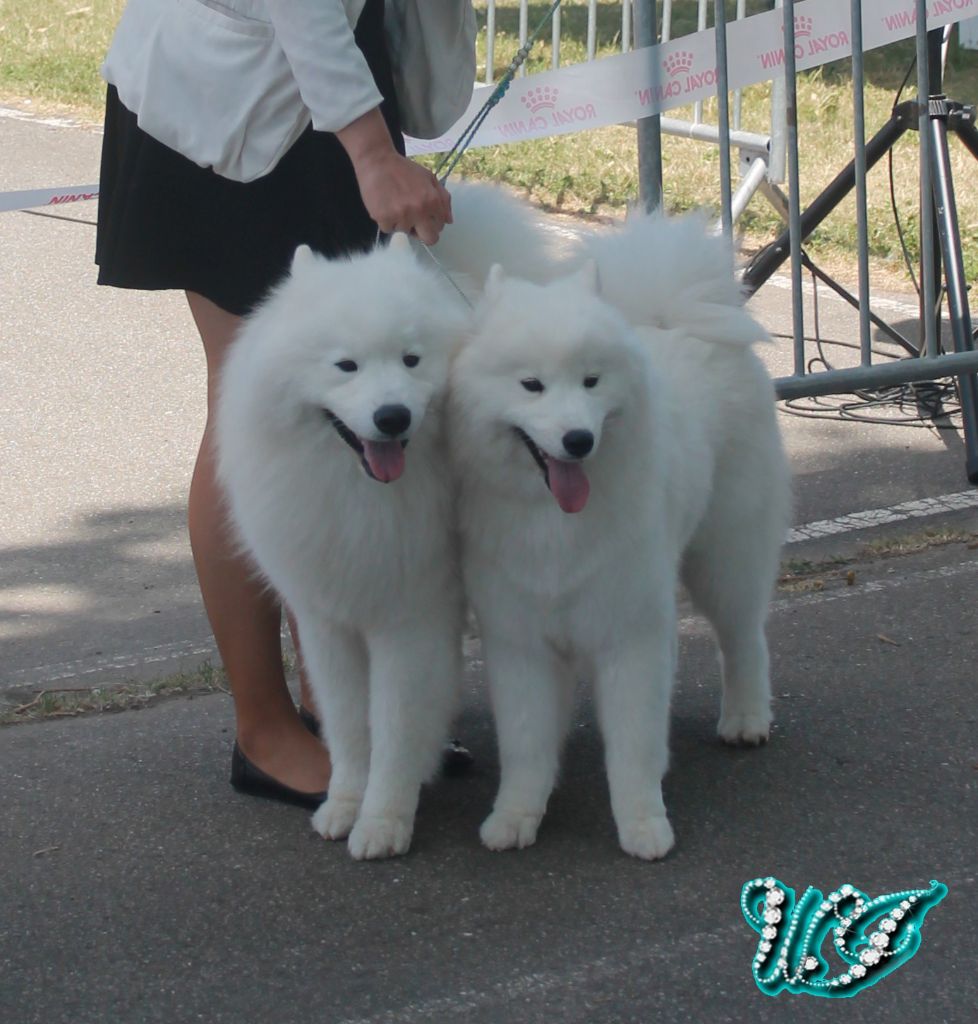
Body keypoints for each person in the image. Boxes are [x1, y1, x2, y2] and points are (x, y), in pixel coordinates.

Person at [95, 0, 475, 806]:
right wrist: (373, 154)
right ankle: (263, 730)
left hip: (327, 93)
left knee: (339, 418)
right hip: (223, 111)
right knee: (250, 405)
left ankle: (336, 708)